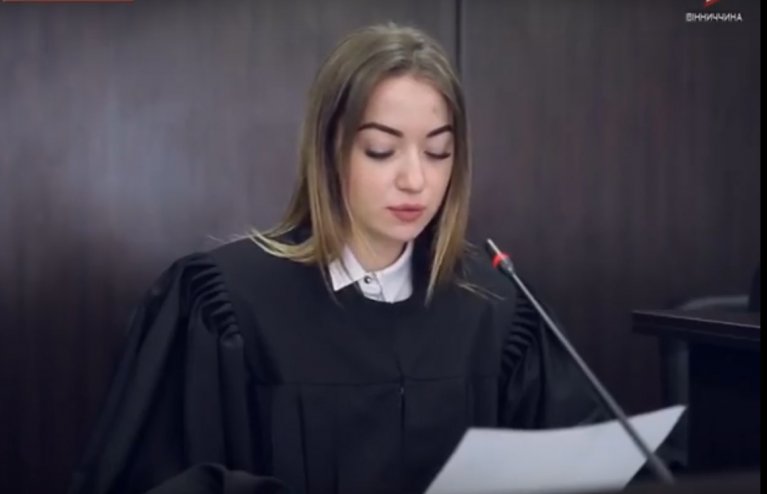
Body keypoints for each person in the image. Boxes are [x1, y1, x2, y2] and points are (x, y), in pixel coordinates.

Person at [69, 23, 603, 494]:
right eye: (381, 150)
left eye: (438, 151)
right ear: (327, 151)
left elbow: (590, 463)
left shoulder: (498, 309)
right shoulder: (224, 307)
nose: (415, 179)